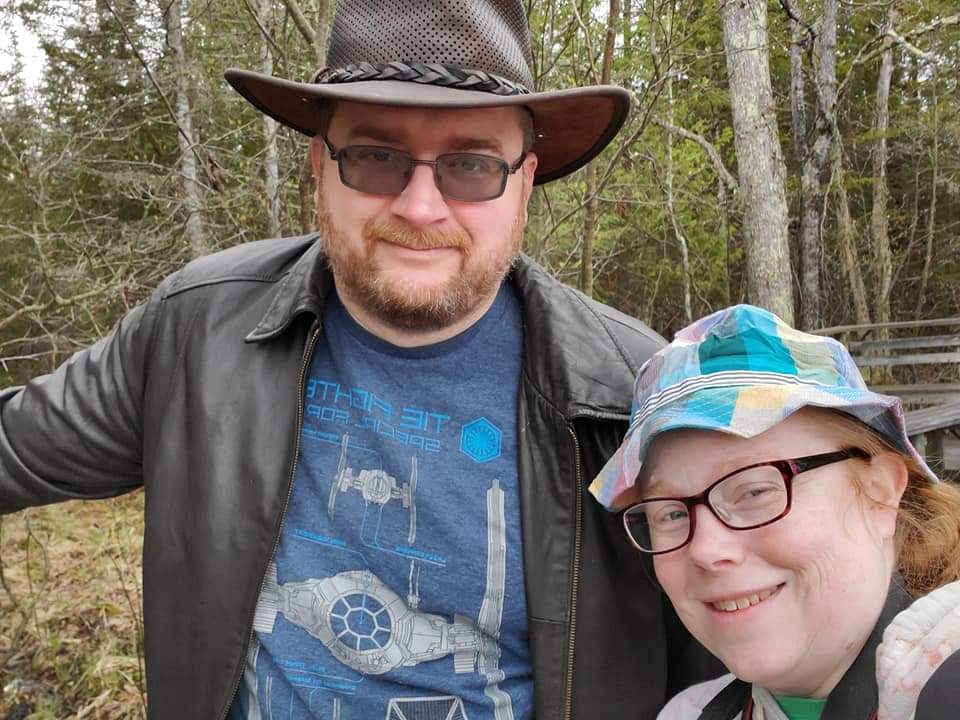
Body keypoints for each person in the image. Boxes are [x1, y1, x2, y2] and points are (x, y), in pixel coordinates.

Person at [0, 1, 722, 718]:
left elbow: (748, 653)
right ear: (321, 166)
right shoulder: (197, 331)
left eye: (471, 166)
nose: (420, 207)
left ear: (524, 183)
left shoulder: (633, 395)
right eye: (377, 157)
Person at [589, 304, 960, 720]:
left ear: (881, 493)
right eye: (671, 514)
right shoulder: (687, 714)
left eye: (754, 491)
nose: (706, 550)